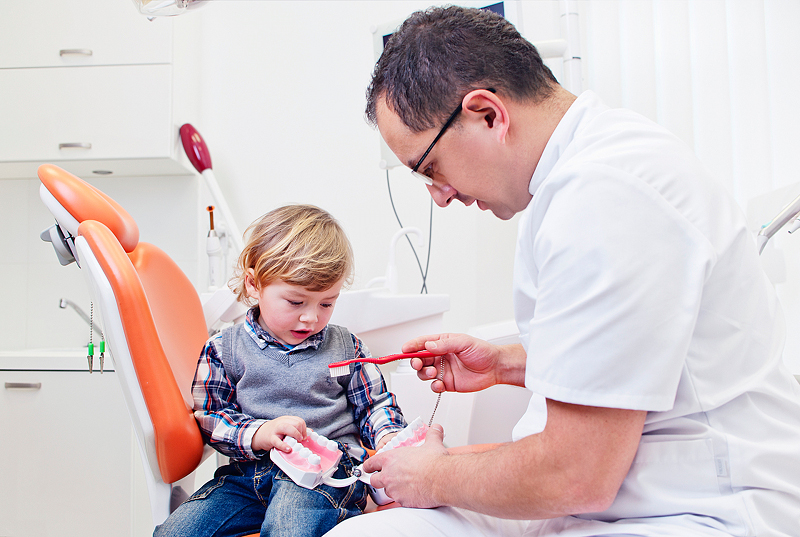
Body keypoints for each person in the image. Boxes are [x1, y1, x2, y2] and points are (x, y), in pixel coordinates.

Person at [325, 5, 800, 537]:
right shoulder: (590, 171)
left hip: (699, 510)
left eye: (430, 168)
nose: (441, 196)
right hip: (611, 499)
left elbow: (576, 473)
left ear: (487, 114)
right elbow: (632, 357)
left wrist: (431, 475)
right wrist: (504, 364)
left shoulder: (603, 195)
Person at [155, 204, 406, 537]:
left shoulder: (347, 347)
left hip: (325, 474)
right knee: (175, 532)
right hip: (249, 478)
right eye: (296, 302)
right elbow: (211, 417)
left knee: (289, 525)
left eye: (327, 303)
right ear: (254, 284)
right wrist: (259, 432)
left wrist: (389, 435)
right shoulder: (223, 349)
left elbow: (375, 405)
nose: (311, 318)